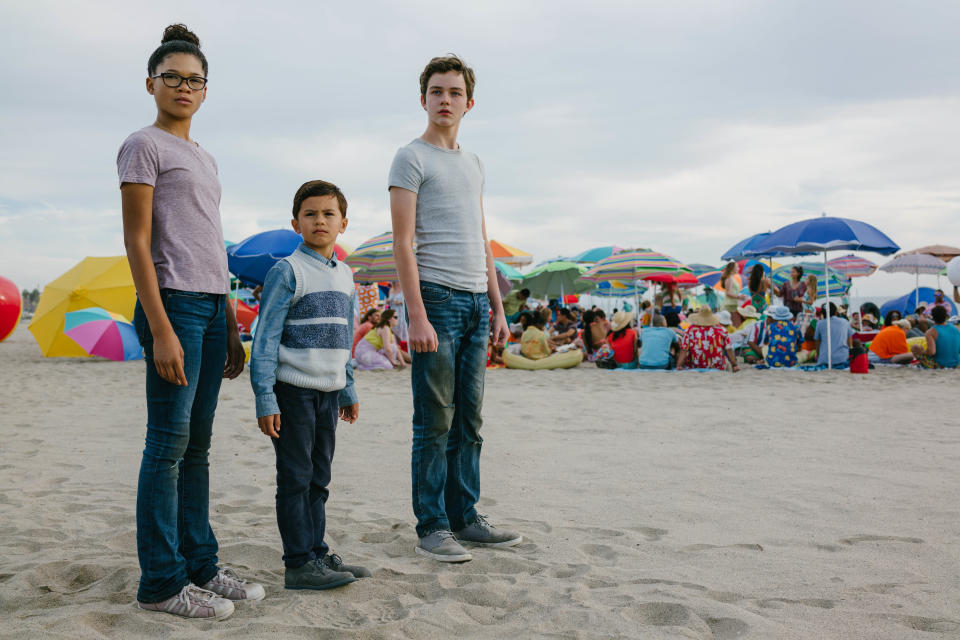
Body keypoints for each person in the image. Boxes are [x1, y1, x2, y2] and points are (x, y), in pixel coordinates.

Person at [120, 24, 261, 620]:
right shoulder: (142, 145)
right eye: (172, 77)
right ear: (151, 83)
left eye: (194, 80)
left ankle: (200, 563)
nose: (183, 86)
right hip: (172, 304)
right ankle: (160, 581)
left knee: (197, 446)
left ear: (206, 91)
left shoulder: (204, 156)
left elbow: (209, 244)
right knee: (167, 445)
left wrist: (228, 317)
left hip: (209, 306)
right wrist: (161, 329)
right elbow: (137, 239)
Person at [389, 55, 520, 563]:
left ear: (470, 102)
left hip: (475, 304)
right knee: (434, 420)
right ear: (423, 98)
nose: (446, 100)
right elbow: (403, 243)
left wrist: (498, 306)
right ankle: (432, 524)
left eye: (455, 92)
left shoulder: (475, 162)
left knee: (470, 420)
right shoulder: (410, 157)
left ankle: (465, 517)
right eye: (437, 91)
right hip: (437, 299)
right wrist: (415, 314)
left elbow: (481, 239)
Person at [250, 181, 368, 594]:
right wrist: (265, 397)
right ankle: (298, 563)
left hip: (329, 391)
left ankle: (317, 552)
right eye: (311, 213)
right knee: (296, 477)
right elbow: (265, 340)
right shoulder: (287, 271)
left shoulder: (347, 275)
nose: (320, 220)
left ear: (343, 223)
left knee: (320, 477)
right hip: (293, 391)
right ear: (296, 221)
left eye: (328, 214)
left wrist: (348, 388)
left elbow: (345, 337)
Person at [676, 307, 739, 371]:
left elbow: (684, 349)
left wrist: (679, 365)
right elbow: (728, 349)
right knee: (726, 362)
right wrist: (734, 365)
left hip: (695, 366)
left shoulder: (690, 330)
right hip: (717, 366)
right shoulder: (721, 330)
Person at [813, 302, 855, 366]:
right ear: (836, 312)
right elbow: (850, 343)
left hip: (825, 359)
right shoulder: (845, 322)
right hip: (842, 358)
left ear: (822, 313)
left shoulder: (820, 324)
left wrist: (819, 356)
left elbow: (817, 342)